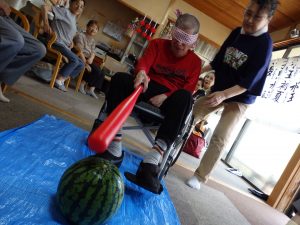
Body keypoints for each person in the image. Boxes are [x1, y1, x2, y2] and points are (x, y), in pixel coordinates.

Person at [91, 13, 202, 194]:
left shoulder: (196, 62)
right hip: (147, 85)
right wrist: (141, 73)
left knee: (186, 99)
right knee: (119, 79)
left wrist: (166, 96)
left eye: (185, 40)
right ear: (173, 33)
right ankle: (114, 146)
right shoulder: (157, 44)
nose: (179, 43)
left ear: (193, 42)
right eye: (178, 37)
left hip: (172, 97)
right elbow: (144, 63)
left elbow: (188, 88)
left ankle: (151, 161)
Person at [186, 0, 279, 190]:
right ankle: (168, 145)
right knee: (191, 112)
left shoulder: (265, 44)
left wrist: (224, 95)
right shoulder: (237, 32)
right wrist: (194, 71)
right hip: (220, 88)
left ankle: (200, 176)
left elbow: (248, 82)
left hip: (240, 97)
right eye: (248, 13)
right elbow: (218, 61)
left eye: (257, 17)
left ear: (268, 19)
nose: (249, 20)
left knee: (220, 136)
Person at [0, 0, 46, 103]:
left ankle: (1, 76)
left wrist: (46, 22)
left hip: (4, 17)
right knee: (16, 40)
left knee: (38, 49)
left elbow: (42, 5)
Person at [41, 0, 85, 92]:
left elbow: (65, 31)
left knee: (81, 64)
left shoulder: (74, 18)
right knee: (74, 60)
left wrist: (71, 41)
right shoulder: (65, 11)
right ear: (71, 3)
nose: (78, 7)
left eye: (81, 6)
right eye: (77, 4)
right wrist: (46, 23)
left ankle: (60, 78)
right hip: (56, 43)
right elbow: (44, 7)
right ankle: (58, 80)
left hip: (64, 45)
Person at [74, 20, 104, 99]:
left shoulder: (93, 41)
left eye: (96, 29)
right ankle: (82, 84)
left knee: (102, 73)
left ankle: (91, 89)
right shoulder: (80, 35)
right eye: (92, 27)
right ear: (87, 26)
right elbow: (79, 50)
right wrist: (85, 64)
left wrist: (91, 58)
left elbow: (93, 52)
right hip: (80, 56)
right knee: (95, 70)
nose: (94, 30)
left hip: (88, 58)